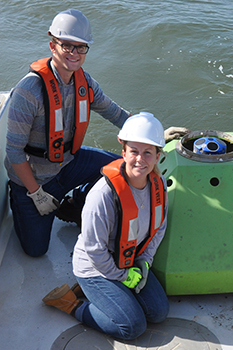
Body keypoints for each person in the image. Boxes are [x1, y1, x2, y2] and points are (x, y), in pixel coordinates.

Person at [4, 9, 187, 257]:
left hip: (68, 164)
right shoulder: (28, 91)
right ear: (52, 45)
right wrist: (36, 194)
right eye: (67, 45)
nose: (74, 54)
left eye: (81, 48)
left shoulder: (85, 82)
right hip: (34, 180)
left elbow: (116, 114)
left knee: (124, 165)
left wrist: (154, 136)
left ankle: (74, 204)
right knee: (36, 251)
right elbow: (14, 152)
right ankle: (20, 202)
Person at [42, 112, 169, 340]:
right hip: (96, 266)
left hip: (130, 260)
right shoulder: (103, 194)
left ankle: (100, 294)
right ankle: (71, 303)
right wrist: (121, 276)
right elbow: (94, 249)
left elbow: (158, 228)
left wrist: (145, 261)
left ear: (158, 156)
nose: (140, 159)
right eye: (134, 152)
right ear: (124, 152)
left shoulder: (158, 187)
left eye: (148, 153)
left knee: (159, 312)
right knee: (133, 327)